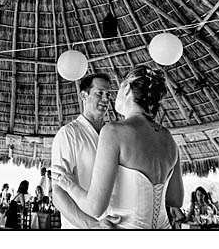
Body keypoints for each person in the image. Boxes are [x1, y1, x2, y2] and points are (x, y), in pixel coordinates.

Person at [54, 66, 185, 229]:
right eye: (100, 93)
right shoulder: (168, 138)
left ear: (127, 89)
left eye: (110, 93)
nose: (108, 98)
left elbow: (94, 207)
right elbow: (175, 199)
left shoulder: (114, 131)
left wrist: (70, 185)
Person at [51, 73, 121, 229]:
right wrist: (92, 226)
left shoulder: (113, 134)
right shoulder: (68, 134)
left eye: (108, 94)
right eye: (99, 93)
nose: (105, 99)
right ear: (84, 95)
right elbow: (57, 193)